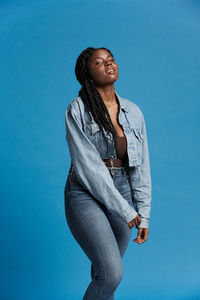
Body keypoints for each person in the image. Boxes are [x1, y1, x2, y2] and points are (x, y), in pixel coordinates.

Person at [64, 47, 152, 300]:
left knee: (103, 275)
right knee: (111, 274)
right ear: (87, 74)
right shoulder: (77, 109)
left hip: (122, 189)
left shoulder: (133, 111)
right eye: (99, 63)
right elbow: (88, 167)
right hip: (84, 192)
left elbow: (141, 166)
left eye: (111, 60)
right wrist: (125, 210)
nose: (108, 65)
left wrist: (143, 214)